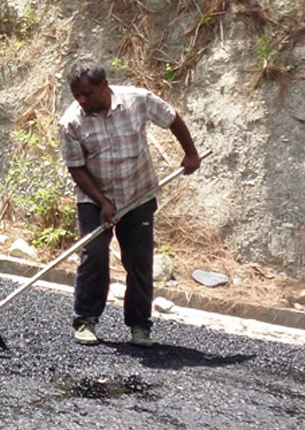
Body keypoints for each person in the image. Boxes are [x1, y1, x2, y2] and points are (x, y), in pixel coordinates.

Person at [59, 58, 203, 347]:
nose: (81, 100)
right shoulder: (71, 121)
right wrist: (103, 203)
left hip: (138, 193)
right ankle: (86, 320)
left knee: (138, 261)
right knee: (94, 254)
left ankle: (140, 326)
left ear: (105, 86)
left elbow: (172, 118)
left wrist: (190, 153)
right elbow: (76, 168)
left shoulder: (138, 100)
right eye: (76, 94)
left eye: (87, 93)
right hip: (93, 196)